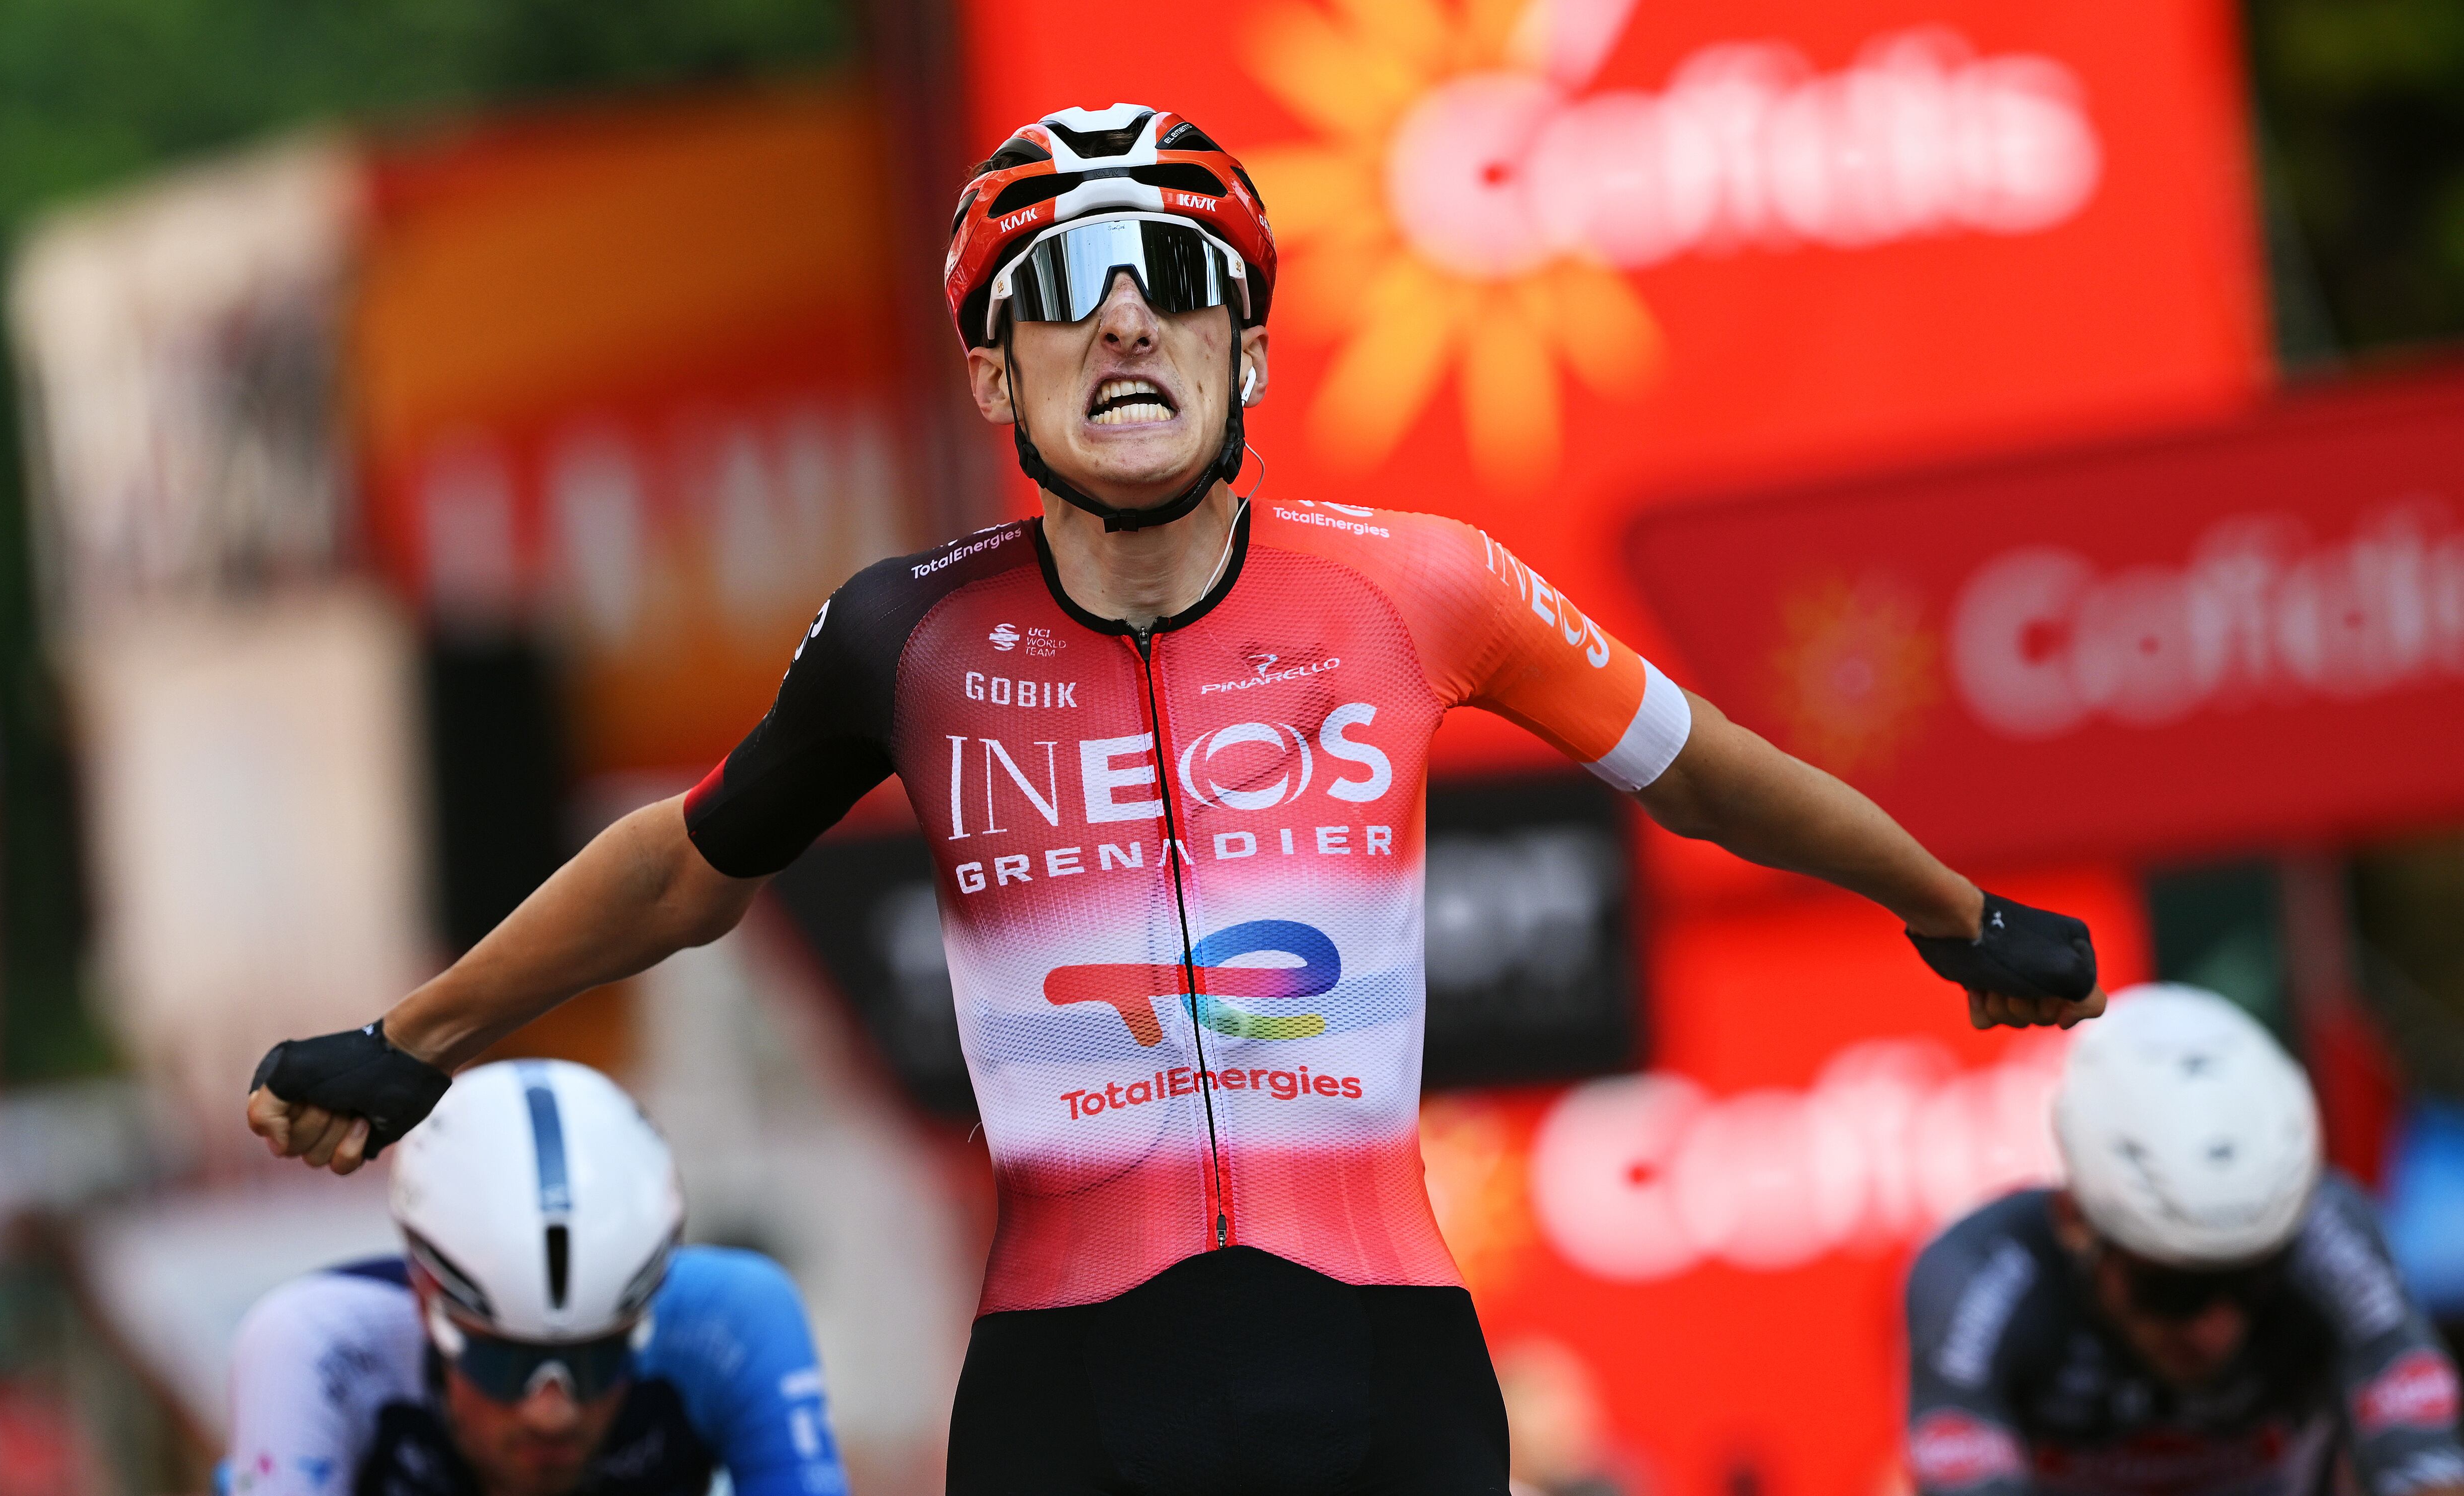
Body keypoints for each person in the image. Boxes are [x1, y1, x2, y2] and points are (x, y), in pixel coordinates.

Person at [247, 102, 2104, 1493]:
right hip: (1069, 1377)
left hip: (1380, 1353)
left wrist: (1951, 908)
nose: (1122, 322)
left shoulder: (1417, 585)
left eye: (1179, 285)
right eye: (1059, 290)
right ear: (995, 364)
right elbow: (685, 868)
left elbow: (1706, 773)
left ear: (1251, 348)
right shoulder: (905, 636)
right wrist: (415, 1037)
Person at [1905, 985, 2464, 1496]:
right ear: (2075, 1220)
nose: (2213, 1327)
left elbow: (2424, 1457)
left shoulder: (2330, 1229)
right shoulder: (1978, 1271)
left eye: (2249, 1279)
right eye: (2172, 1289)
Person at [224, 1060, 846, 1496]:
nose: (552, 1414)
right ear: (424, 1301)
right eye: (504, 1359)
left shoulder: (733, 1321)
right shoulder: (316, 1346)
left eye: (598, 1355)